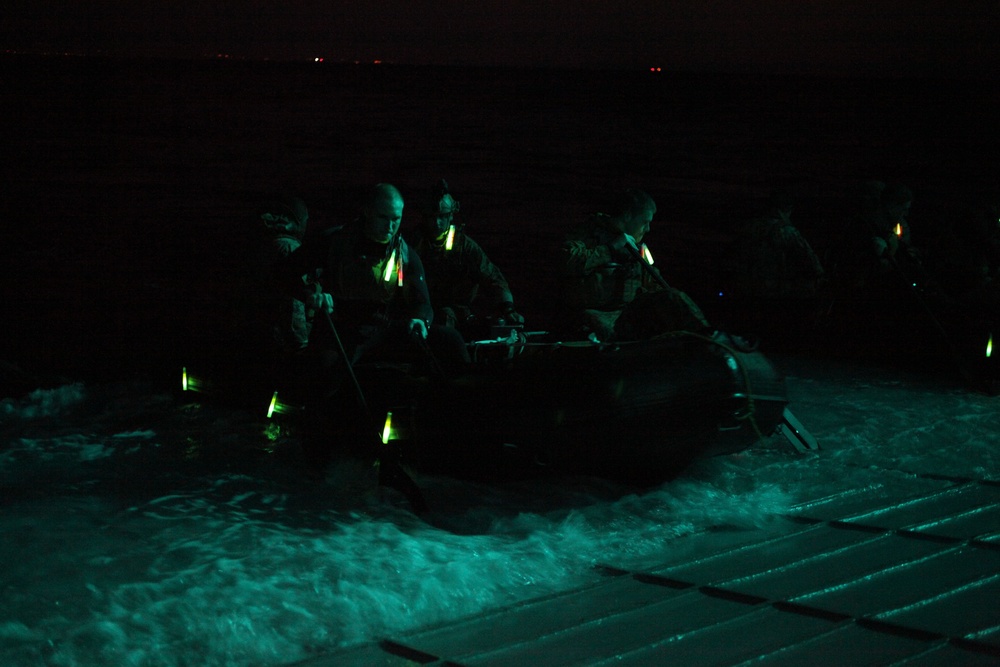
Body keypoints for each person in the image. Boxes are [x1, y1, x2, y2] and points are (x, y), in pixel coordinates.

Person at [559, 188, 726, 344]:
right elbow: (566, 262)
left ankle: (710, 341)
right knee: (602, 330)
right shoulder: (587, 233)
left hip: (625, 316)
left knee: (672, 298)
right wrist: (611, 249)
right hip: (591, 315)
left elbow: (655, 285)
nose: (648, 229)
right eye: (645, 222)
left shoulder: (639, 249)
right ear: (627, 216)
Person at [413, 179, 524, 337]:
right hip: (420, 312)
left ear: (451, 216)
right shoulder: (412, 244)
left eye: (442, 216)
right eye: (432, 217)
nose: (437, 223)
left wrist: (508, 308)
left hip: (458, 313)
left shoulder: (465, 246)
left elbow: (492, 277)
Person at [732, 192, 826, 303]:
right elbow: (811, 263)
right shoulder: (787, 231)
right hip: (775, 295)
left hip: (747, 293)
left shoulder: (749, 228)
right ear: (788, 209)